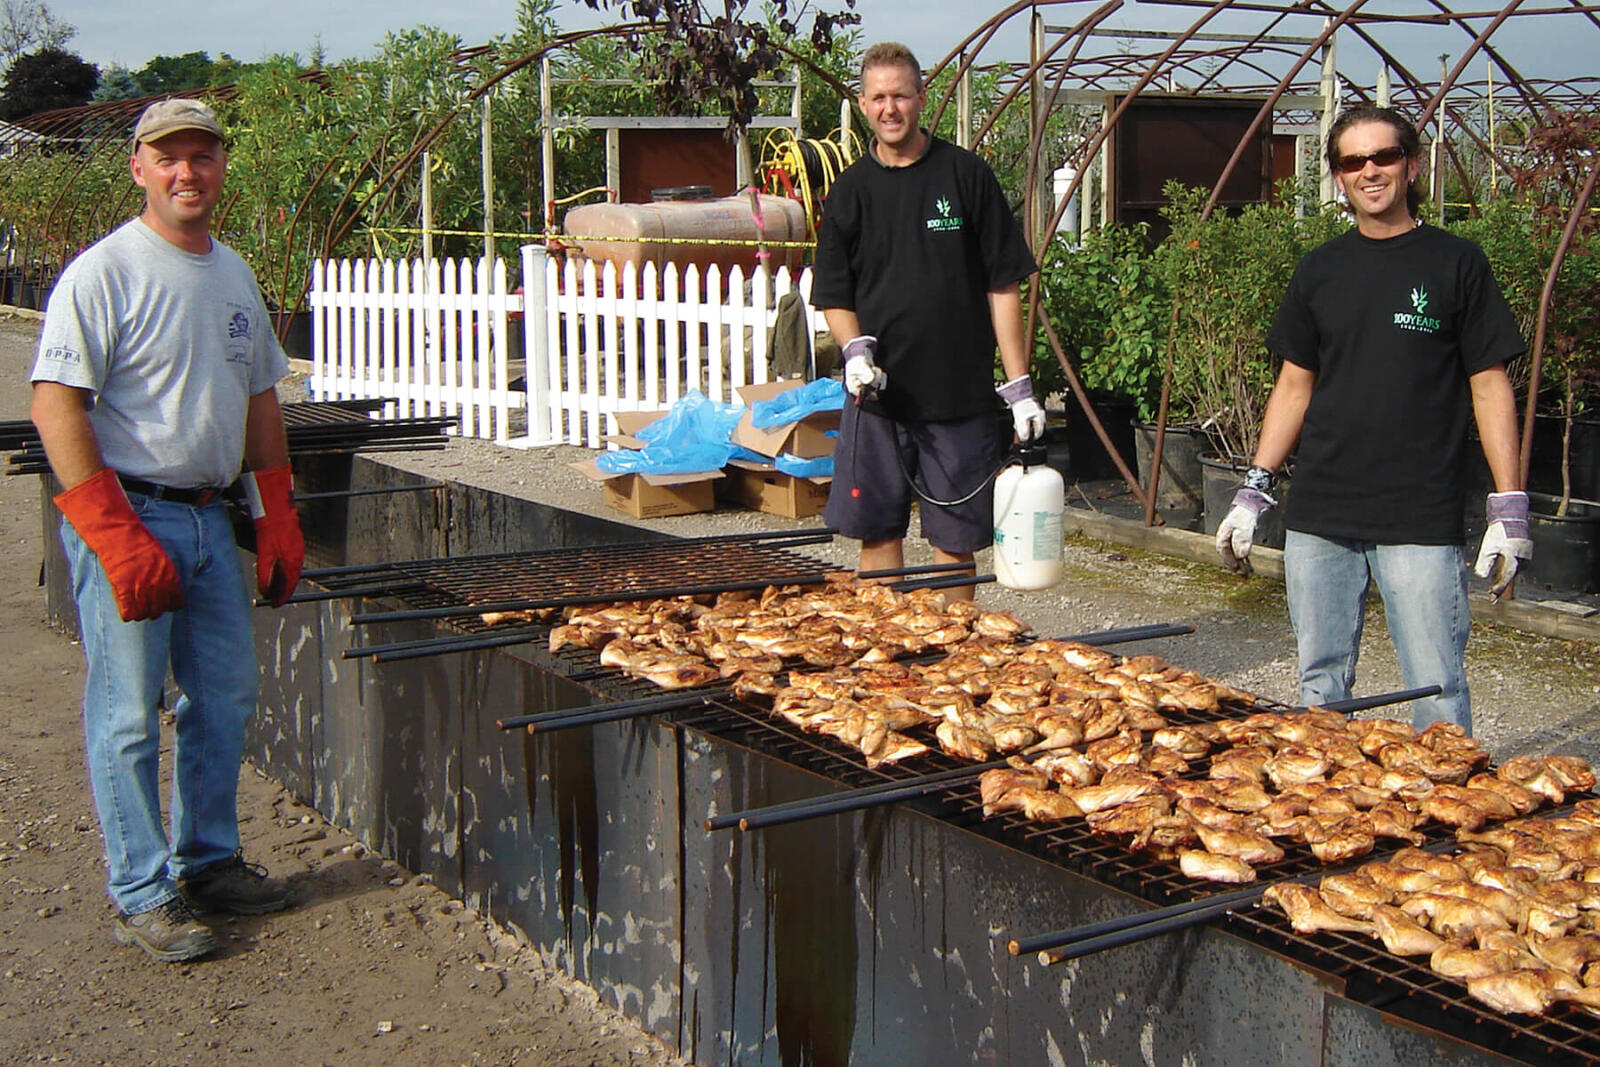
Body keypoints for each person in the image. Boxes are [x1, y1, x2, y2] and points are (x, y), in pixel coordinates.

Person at [29, 98, 306, 962]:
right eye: (169, 157)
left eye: (202, 156)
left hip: (203, 516)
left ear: (222, 166)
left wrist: (276, 515)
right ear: (139, 168)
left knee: (222, 699)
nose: (187, 172)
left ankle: (209, 861)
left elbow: (260, 398)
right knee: (127, 715)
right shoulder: (104, 272)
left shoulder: (231, 273)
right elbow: (54, 404)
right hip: (132, 511)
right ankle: (142, 889)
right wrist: (111, 534)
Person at [1215, 104, 1529, 734]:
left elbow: (1490, 385)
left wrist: (1510, 503)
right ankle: (1330, 815)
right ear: (1338, 177)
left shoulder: (1455, 263)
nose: (1370, 171)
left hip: (1418, 511)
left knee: (1435, 687)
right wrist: (1253, 489)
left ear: (1410, 166)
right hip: (1322, 512)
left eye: (1384, 156)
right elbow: (1294, 386)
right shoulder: (1321, 269)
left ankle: (1448, 818)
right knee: (1319, 687)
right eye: (1353, 161)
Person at [812, 41, 1042, 600]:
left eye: (901, 95)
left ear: (920, 98)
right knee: (877, 533)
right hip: (878, 402)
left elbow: (1003, 284)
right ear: (863, 105)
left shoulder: (965, 176)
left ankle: (954, 660)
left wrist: (1020, 388)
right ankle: (887, 658)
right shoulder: (850, 192)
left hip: (958, 400)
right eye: (878, 98)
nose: (890, 109)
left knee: (954, 543)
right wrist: (854, 354)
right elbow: (835, 295)